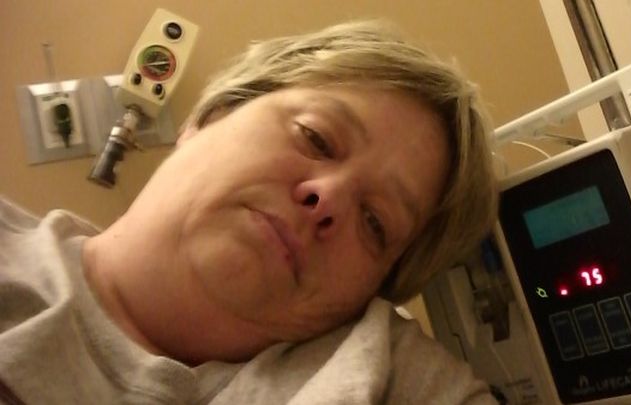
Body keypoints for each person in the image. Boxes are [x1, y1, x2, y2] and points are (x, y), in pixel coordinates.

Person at [0, 20, 498, 404]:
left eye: (375, 223)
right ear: (209, 116)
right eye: (317, 138)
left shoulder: (382, 371)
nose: (328, 197)